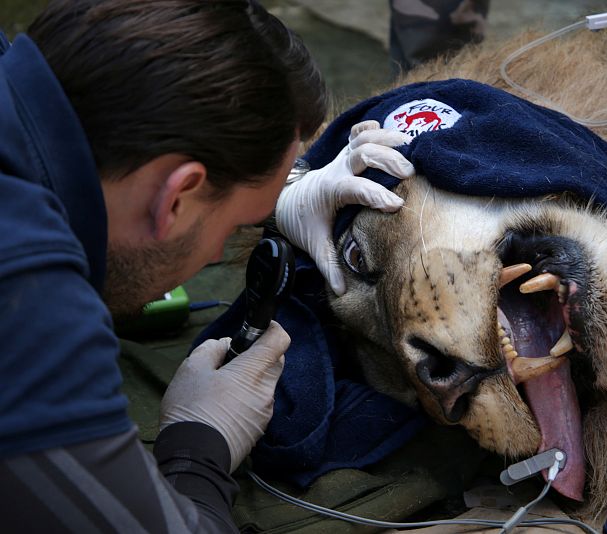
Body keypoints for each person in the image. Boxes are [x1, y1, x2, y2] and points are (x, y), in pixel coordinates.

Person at [0, 0, 414, 532]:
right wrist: (198, 446)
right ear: (176, 199)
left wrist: (281, 188)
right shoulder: (28, 298)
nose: (220, 256)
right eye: (236, 227)